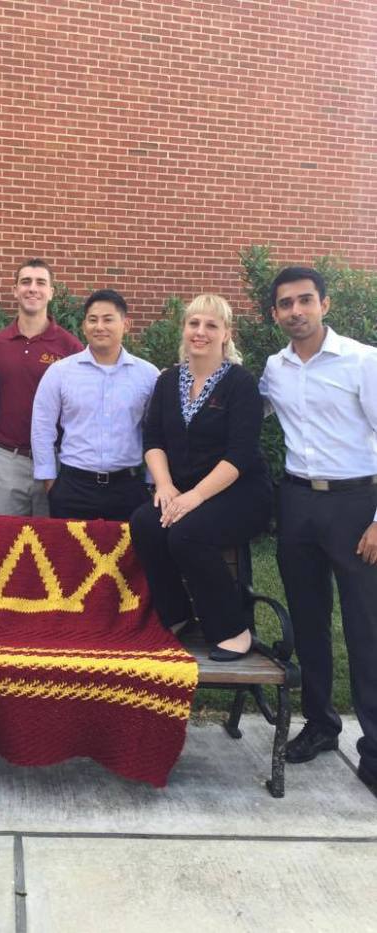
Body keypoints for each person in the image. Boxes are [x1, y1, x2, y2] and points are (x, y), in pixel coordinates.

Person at [259, 266, 377, 796]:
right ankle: (321, 724)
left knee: (365, 627)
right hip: (298, 502)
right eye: (285, 304)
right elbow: (237, 401)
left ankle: (373, 746)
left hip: (357, 503)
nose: (296, 311)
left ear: (324, 304)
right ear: (275, 314)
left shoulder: (363, 361)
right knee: (308, 620)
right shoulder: (274, 368)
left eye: (305, 300)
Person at [129, 294, 272, 661]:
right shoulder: (168, 381)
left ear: (226, 333)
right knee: (146, 521)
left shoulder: (240, 384)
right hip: (183, 489)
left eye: (211, 325)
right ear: (185, 329)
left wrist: (193, 498)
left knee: (186, 533)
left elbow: (239, 454)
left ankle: (232, 628)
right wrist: (165, 485)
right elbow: (154, 439)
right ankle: (175, 615)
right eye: (194, 323)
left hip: (240, 493)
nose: (201, 332)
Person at [31, 288, 158, 521]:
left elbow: (157, 433)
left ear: (126, 324)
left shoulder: (148, 375)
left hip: (127, 488)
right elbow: (42, 428)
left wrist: (152, 481)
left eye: (108, 319)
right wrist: (50, 482)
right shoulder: (60, 372)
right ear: (84, 326)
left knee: (127, 557)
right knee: (69, 556)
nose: (99, 326)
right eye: (92, 320)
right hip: (73, 488)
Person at [0, 259, 82, 516]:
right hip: (8, 461)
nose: (33, 288)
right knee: (2, 544)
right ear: (15, 290)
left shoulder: (70, 347)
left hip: (57, 461)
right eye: (26, 282)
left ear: (51, 292)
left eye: (41, 282)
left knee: (49, 547)